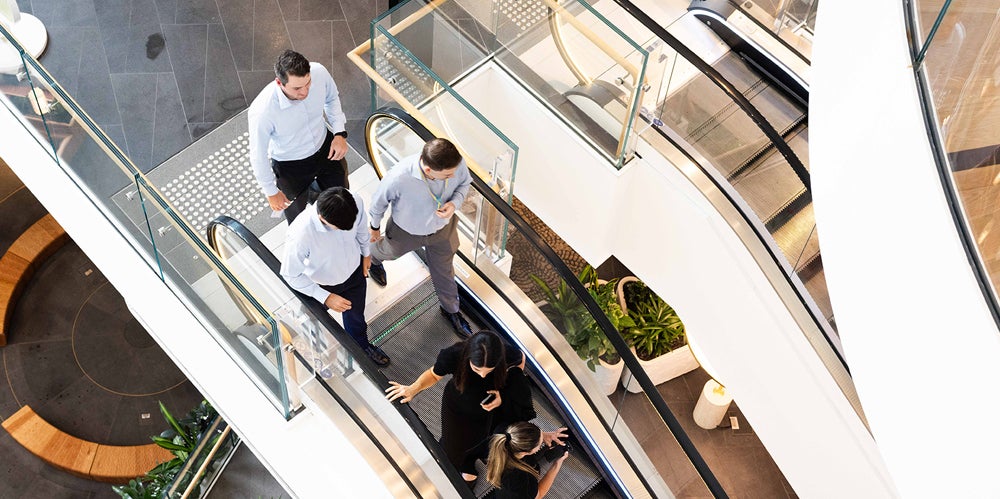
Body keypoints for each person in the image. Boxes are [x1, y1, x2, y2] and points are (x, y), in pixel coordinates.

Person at [385, 330, 543, 487]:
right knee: (454, 446)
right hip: (457, 409)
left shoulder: (506, 354)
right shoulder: (454, 355)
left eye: (489, 370)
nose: (482, 375)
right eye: (477, 369)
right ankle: (463, 465)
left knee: (483, 438)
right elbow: (433, 375)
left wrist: (503, 394)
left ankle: (468, 464)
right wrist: (414, 388)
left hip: (488, 411)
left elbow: (520, 360)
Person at [367, 138, 473, 338]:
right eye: (447, 176)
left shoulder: (455, 164)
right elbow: (378, 202)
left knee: (444, 271)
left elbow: (464, 184)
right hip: (406, 231)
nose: (453, 176)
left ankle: (451, 310)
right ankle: (373, 259)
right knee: (389, 252)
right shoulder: (399, 177)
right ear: (428, 170)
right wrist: (374, 228)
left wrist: (454, 204)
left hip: (442, 229)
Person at [279, 187, 390, 367]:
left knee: (356, 317)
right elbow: (290, 275)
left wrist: (366, 253)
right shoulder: (300, 234)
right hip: (323, 284)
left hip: (354, 273)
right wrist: (326, 297)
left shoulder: (353, 200)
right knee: (313, 319)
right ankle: (314, 350)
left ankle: (361, 348)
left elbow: (361, 229)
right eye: (338, 228)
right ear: (323, 219)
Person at [248, 49, 350, 223]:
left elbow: (332, 99)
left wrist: (339, 133)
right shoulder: (263, 111)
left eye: (308, 83)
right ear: (279, 83)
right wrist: (271, 192)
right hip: (290, 164)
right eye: (296, 88)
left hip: (324, 147)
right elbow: (258, 155)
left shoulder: (318, 72)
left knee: (341, 194)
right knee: (296, 213)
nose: (304, 92)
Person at [486, 422, 570, 499]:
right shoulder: (519, 480)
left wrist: (543, 435)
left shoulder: (504, 433)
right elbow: (538, 495)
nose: (543, 442)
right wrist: (557, 464)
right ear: (526, 452)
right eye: (540, 443)